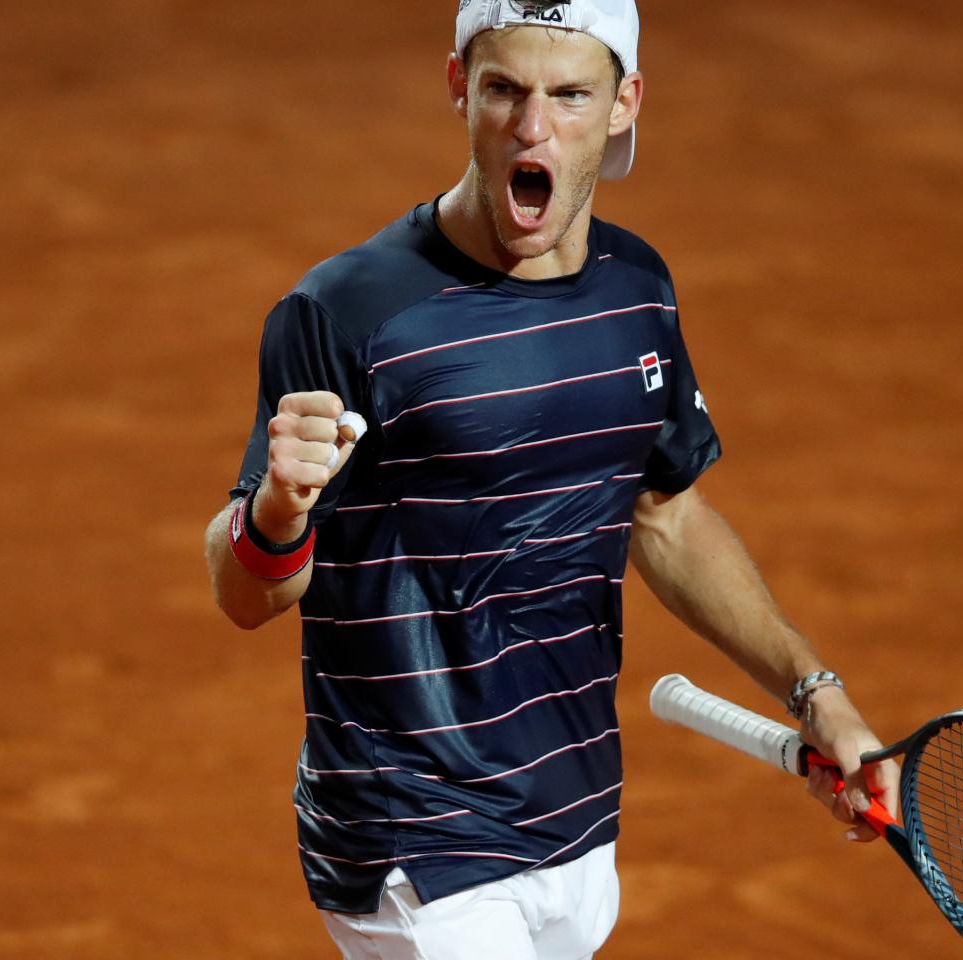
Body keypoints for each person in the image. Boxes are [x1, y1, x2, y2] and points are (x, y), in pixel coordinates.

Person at [202, 2, 897, 957]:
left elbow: (666, 521)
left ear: (623, 105)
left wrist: (819, 698)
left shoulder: (636, 291)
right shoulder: (347, 313)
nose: (535, 128)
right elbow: (248, 594)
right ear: (459, 88)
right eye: (504, 90)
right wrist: (277, 510)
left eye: (570, 95)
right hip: (415, 835)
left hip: (573, 816)